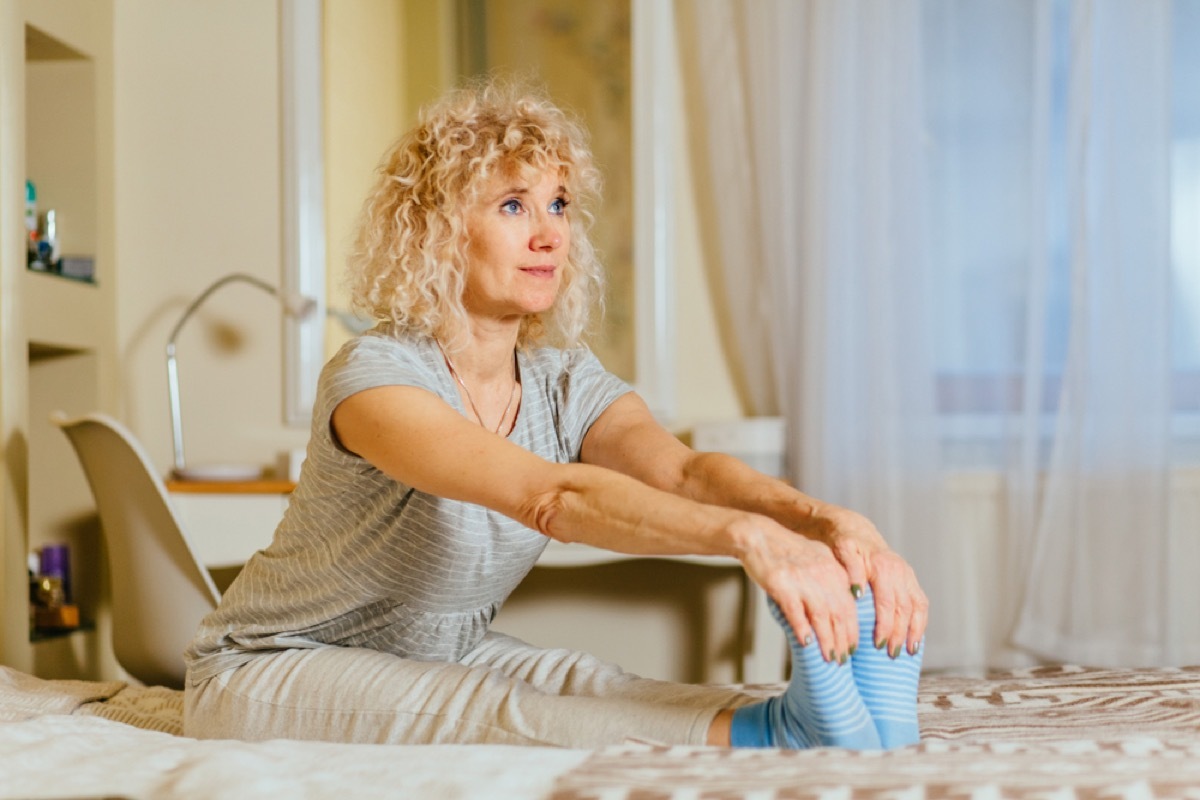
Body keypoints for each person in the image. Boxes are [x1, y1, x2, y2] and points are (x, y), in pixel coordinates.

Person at [183, 78, 928, 750]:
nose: (550, 234)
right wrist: (749, 540)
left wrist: (819, 521)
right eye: (514, 205)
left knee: (582, 678)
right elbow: (551, 497)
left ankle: (831, 711)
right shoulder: (377, 378)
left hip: (433, 652)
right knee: (503, 709)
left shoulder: (562, 378)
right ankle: (781, 735)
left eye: (559, 205)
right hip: (274, 669)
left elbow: (685, 472)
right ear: (438, 230)